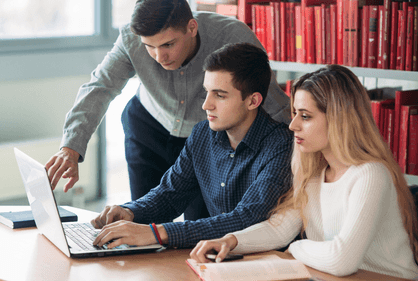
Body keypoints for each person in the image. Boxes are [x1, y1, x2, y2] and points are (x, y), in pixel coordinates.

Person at [44, 0, 291, 221]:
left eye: (168, 44)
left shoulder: (232, 37)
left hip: (204, 138)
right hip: (148, 127)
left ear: (191, 28)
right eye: (149, 47)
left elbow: (268, 99)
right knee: (140, 216)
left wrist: (296, 152)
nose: (159, 56)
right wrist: (71, 147)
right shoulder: (131, 39)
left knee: (198, 224)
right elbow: (100, 86)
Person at [189, 65, 418, 280]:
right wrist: (230, 241)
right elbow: (280, 229)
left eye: (305, 116)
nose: (293, 125)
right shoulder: (315, 173)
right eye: (295, 113)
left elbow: (341, 261)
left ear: (339, 120)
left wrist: (296, 247)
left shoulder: (370, 174)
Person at [90, 42, 293, 250]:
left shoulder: (282, 145)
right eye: (207, 92)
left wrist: (157, 233)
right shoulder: (202, 134)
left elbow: (246, 219)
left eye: (220, 95)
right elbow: (170, 194)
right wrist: (130, 212)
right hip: (216, 259)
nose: (206, 105)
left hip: (265, 263)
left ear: (253, 101)